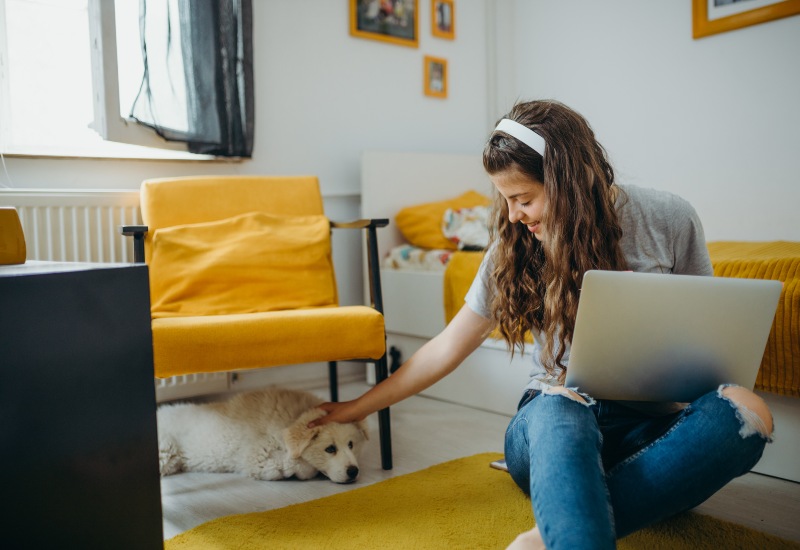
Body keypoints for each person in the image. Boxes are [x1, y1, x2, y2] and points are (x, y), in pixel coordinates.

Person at [310, 100, 773, 549]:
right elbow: (445, 348)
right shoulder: (511, 248)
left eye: (524, 199)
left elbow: (708, 335)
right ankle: (610, 508)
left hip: (650, 429)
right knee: (560, 404)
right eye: (506, 200)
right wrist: (357, 407)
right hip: (551, 423)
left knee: (748, 409)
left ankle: (554, 532)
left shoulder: (670, 218)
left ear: (568, 181)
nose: (513, 215)